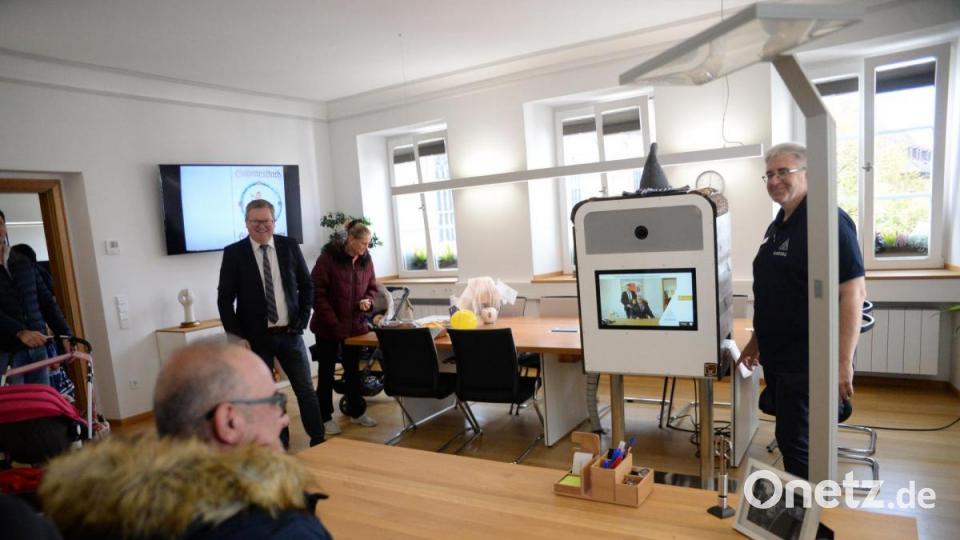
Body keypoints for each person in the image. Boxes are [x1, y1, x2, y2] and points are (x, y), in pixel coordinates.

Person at [38, 341, 333, 540]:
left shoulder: (87, 516)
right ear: (229, 422)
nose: (283, 416)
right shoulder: (283, 531)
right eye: (275, 400)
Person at [740, 143, 866, 480]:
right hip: (781, 352)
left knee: (795, 440)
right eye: (769, 174)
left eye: (784, 172)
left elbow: (852, 292)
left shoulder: (828, 222)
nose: (774, 180)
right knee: (789, 433)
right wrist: (757, 340)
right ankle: (804, 510)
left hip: (810, 357)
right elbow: (775, 290)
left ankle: (810, 519)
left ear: (808, 175)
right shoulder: (779, 223)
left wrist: (842, 362)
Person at [217, 199, 325, 446]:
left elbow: (306, 285)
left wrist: (302, 319)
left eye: (266, 221)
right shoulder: (234, 253)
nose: (261, 226)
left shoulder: (288, 246)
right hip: (256, 340)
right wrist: (237, 336)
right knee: (266, 396)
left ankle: (318, 440)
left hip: (291, 333)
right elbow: (225, 300)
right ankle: (280, 445)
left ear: (274, 222)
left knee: (306, 391)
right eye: (255, 221)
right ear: (246, 223)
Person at [311, 221, 378, 433]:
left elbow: (372, 288)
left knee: (352, 371)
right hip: (327, 327)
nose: (365, 248)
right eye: (363, 243)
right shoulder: (328, 259)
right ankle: (324, 417)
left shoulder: (366, 260)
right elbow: (317, 294)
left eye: (368, 244)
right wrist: (334, 322)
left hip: (355, 326)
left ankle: (356, 411)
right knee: (326, 371)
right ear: (350, 239)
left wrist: (368, 301)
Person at [0, 210, 72, 385]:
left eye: (0, 224)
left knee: (41, 404)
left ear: (5, 228)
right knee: (16, 409)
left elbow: (46, 301)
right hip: (6, 353)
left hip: (38, 349)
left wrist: (64, 334)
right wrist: (19, 331)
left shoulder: (23, 261)